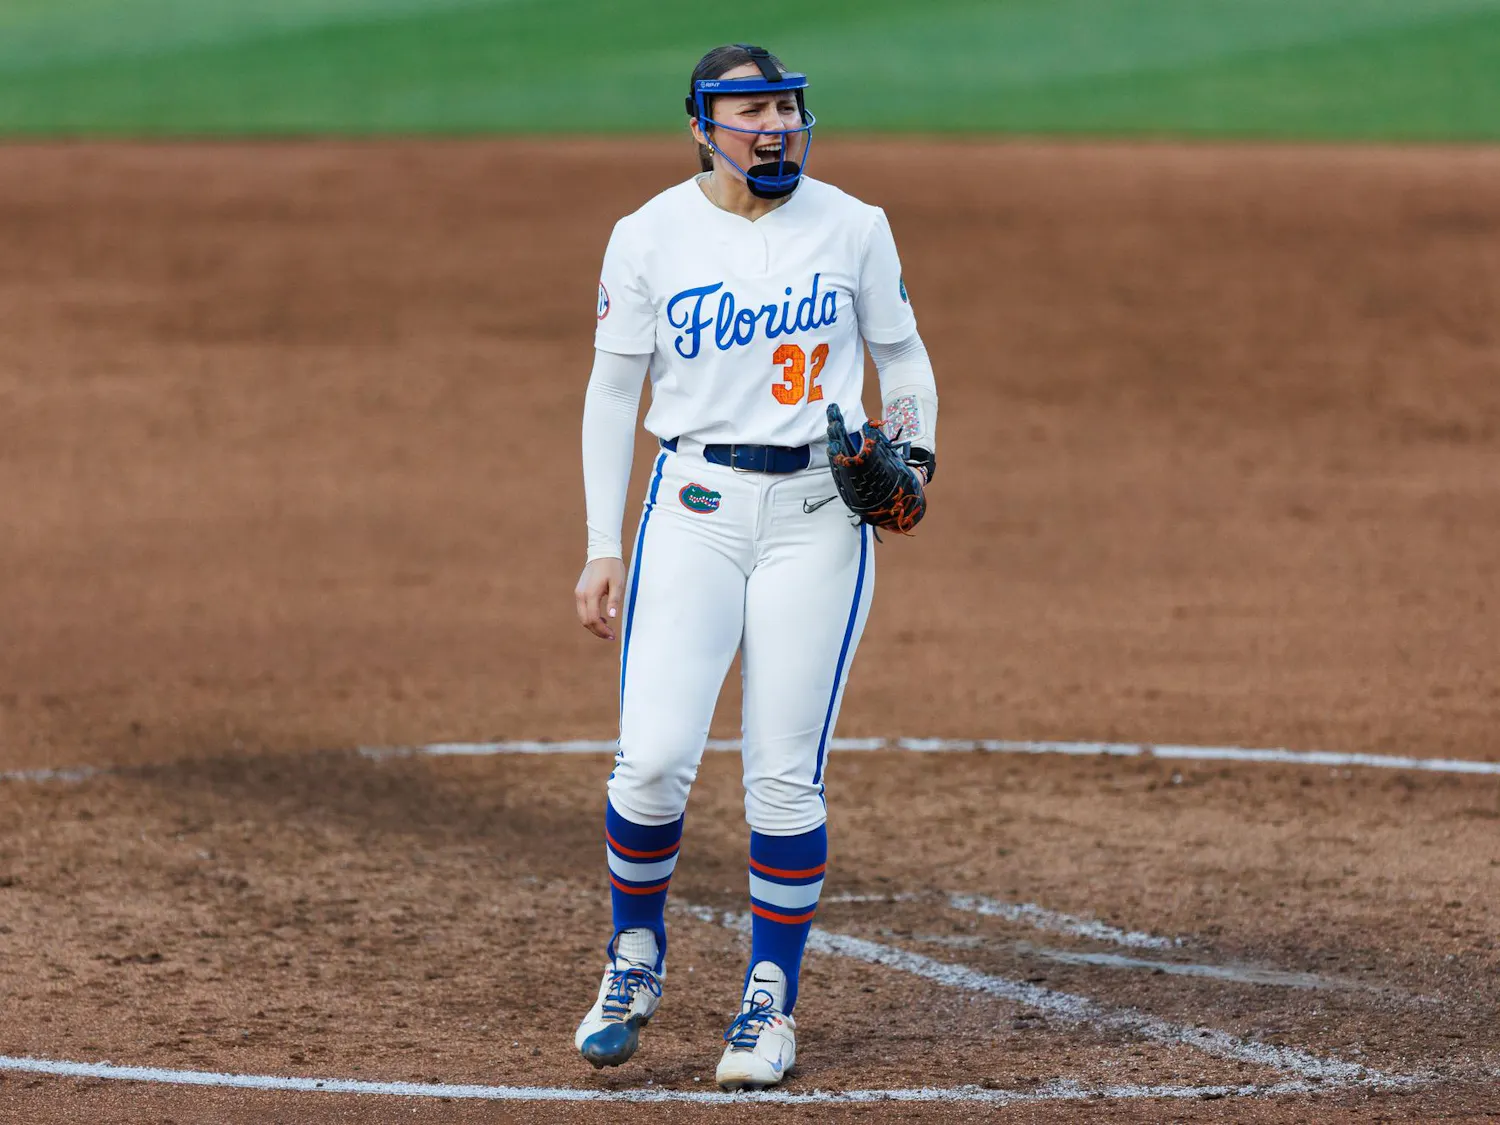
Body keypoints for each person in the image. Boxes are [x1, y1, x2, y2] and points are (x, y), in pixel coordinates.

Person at [571, 42, 939, 1091]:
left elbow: (903, 355)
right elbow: (613, 393)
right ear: (701, 125)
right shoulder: (647, 236)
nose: (772, 126)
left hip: (821, 515)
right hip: (691, 506)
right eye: (748, 111)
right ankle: (634, 958)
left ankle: (767, 1004)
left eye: (784, 106)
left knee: (782, 775)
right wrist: (604, 542)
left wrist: (911, 452)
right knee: (649, 760)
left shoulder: (854, 225)